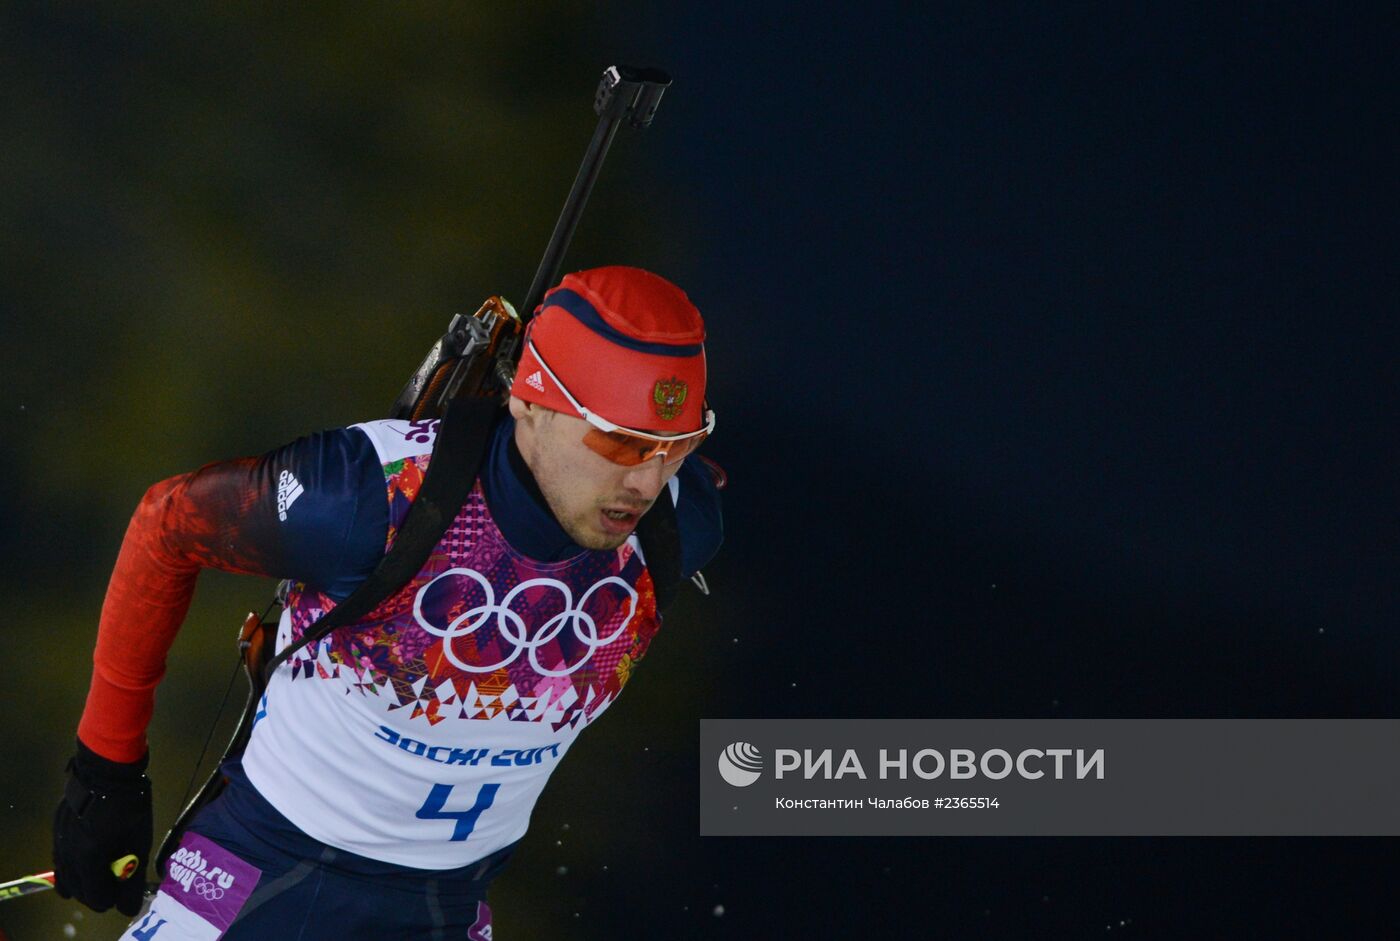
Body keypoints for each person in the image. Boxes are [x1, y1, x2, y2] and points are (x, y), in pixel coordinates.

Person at [52, 266, 724, 939]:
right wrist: (105, 772)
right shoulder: (369, 495)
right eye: (620, 442)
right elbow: (167, 525)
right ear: (531, 401)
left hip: (442, 912)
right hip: (261, 877)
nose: (644, 480)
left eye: (677, 446)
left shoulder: (676, 527)